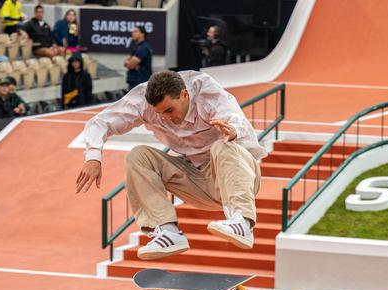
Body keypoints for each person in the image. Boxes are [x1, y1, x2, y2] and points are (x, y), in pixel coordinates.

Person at [76, 70, 265, 259]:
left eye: (169, 110)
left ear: (184, 94)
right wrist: (93, 157)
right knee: (138, 156)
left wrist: (233, 130)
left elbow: (232, 115)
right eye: (159, 114)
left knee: (222, 146)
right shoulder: (141, 101)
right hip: (196, 179)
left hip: (237, 177)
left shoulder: (204, 90)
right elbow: (100, 122)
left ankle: (242, 223)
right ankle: (168, 232)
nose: (166, 118)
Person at [124, 24, 151, 90]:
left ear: (142, 34)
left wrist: (129, 63)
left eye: (135, 31)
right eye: (133, 31)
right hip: (136, 82)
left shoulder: (142, 48)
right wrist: (128, 62)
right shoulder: (138, 47)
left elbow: (130, 65)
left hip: (139, 83)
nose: (133, 33)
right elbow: (125, 63)